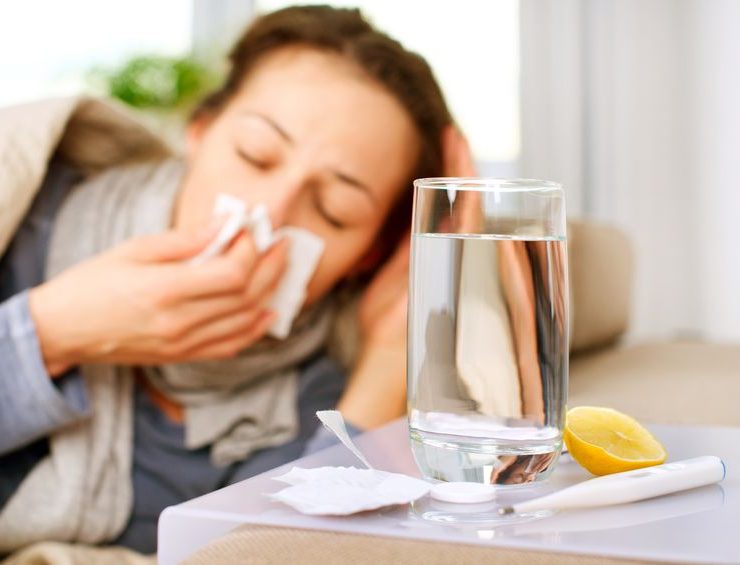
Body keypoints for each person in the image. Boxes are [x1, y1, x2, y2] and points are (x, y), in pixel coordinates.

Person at [0, 5, 474, 557]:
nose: (271, 213)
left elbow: (276, 551)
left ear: (367, 256)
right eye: (255, 155)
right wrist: (53, 330)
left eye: (334, 208)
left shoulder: (314, 393)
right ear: (198, 132)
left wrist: (390, 356)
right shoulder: (28, 217)